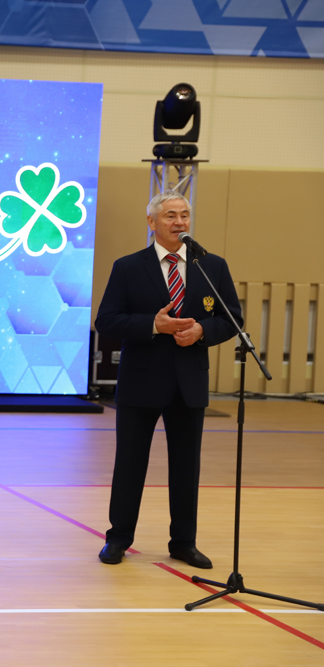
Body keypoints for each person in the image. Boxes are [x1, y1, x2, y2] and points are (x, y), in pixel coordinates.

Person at [95, 191, 242, 568]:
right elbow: (106, 320)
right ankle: (118, 539)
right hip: (140, 382)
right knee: (130, 465)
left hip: (188, 383)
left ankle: (184, 542)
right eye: (171, 215)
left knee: (186, 468)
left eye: (185, 214)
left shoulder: (212, 266)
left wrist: (203, 331)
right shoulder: (128, 267)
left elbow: (231, 319)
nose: (179, 222)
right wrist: (152, 325)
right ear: (152, 223)